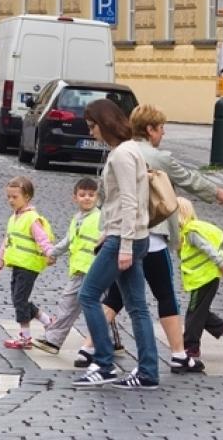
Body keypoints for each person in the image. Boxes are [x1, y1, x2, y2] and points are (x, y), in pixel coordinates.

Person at [76, 104, 223, 373]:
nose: (162, 134)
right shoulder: (150, 156)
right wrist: (216, 192)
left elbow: (108, 198)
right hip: (150, 237)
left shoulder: (122, 151)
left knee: (118, 297)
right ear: (150, 130)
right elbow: (187, 180)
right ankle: (175, 354)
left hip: (126, 236)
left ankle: (91, 347)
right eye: (161, 128)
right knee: (162, 297)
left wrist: (110, 232)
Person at [73, 98, 159, 390]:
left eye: (92, 126)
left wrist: (122, 244)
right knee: (137, 307)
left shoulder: (122, 154)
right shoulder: (130, 149)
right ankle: (148, 372)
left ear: (104, 124)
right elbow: (119, 202)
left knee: (87, 295)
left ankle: (105, 363)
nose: (91, 132)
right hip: (130, 236)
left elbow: (128, 201)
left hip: (126, 238)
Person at [33, 178, 101, 355]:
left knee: (77, 304)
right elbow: (69, 240)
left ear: (97, 197)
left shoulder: (100, 218)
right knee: (79, 304)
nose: (87, 198)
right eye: (82, 195)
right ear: (75, 198)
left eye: (91, 195)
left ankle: (54, 340)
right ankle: (54, 340)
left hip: (95, 269)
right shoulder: (77, 218)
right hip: (80, 269)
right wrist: (53, 253)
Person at [0, 176, 55, 349]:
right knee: (19, 299)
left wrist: (50, 253)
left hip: (29, 265)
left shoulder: (32, 218)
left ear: (27, 197)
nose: (11, 200)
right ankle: (48, 321)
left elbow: (43, 239)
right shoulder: (14, 218)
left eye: (15, 197)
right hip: (18, 265)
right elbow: (7, 241)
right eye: (8, 197)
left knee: (19, 299)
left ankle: (25, 338)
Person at [175, 197, 223, 370]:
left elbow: (209, 248)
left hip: (206, 278)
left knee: (194, 313)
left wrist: (222, 265)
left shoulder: (191, 232)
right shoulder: (184, 234)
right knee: (199, 311)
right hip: (202, 279)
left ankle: (191, 346)